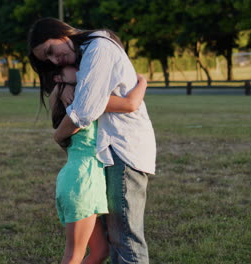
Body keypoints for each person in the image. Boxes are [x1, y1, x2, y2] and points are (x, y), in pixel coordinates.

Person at [29, 18, 156, 264]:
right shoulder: (80, 75)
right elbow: (98, 105)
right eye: (50, 63)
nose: (55, 61)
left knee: (115, 243)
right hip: (91, 171)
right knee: (120, 240)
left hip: (116, 154)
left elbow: (93, 106)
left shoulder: (97, 49)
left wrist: (59, 131)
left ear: (61, 34)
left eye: (51, 52)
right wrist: (142, 82)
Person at [49, 66, 148, 264]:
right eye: (73, 68)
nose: (81, 68)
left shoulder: (68, 97)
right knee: (73, 255)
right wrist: (143, 81)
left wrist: (63, 86)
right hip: (82, 181)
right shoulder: (84, 102)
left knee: (100, 251)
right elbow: (130, 103)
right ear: (58, 76)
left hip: (83, 178)